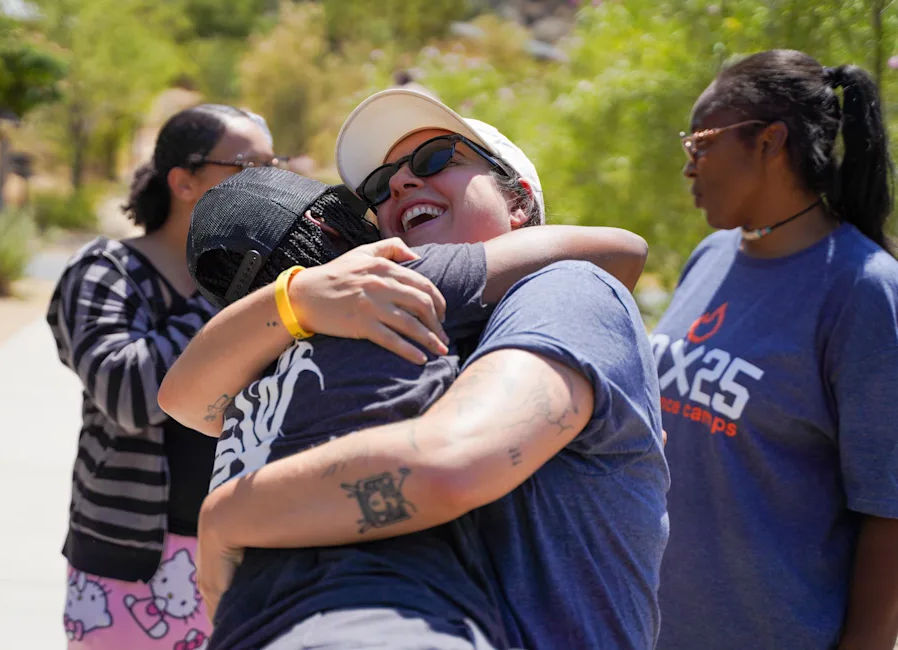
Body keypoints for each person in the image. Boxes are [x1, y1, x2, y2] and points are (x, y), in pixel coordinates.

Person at [162, 89, 669, 650]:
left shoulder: (566, 288)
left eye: (436, 160)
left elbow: (448, 464)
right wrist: (299, 298)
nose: (400, 184)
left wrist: (230, 515)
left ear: (519, 202)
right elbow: (186, 400)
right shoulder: (380, 322)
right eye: (378, 187)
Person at [649, 49, 898, 650]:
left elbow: (889, 513)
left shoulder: (864, 289)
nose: (689, 168)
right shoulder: (710, 257)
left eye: (701, 144)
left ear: (769, 141)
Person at [46, 104, 283, 649]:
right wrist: (225, 291)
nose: (271, 183)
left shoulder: (268, 282)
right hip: (128, 567)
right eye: (251, 167)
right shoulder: (106, 271)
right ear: (183, 181)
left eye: (278, 164)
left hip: (246, 556)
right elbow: (127, 394)